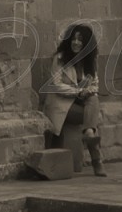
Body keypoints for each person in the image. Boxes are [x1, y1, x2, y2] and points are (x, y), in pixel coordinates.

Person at [41, 23, 105, 177]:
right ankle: (97, 159)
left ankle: (89, 132)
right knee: (93, 114)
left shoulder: (90, 61)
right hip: (61, 104)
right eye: (74, 39)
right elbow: (56, 85)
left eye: (80, 40)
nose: (76, 42)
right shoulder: (60, 59)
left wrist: (90, 90)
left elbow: (95, 83)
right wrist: (79, 91)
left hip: (82, 103)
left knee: (94, 99)